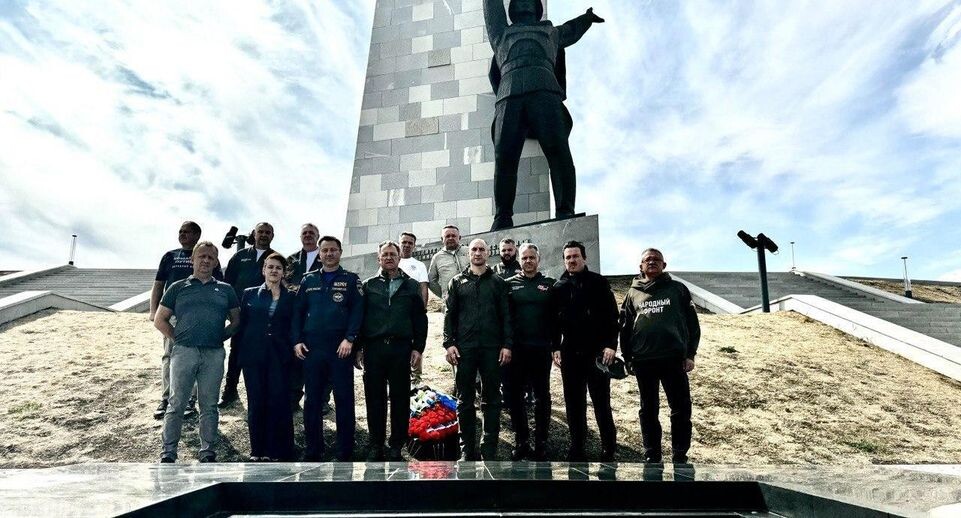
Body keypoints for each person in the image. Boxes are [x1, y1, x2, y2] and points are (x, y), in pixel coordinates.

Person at [483, 0, 604, 230]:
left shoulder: (551, 31)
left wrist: (586, 19)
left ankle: (565, 210)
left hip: (545, 89)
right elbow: (492, 8)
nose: (525, 2)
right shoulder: (500, 33)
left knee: (559, 150)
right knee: (505, 157)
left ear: (538, 9)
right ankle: (502, 217)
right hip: (509, 94)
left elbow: (572, 30)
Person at [154, 241, 240, 463]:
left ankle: (208, 451)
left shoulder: (225, 289)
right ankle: (168, 452)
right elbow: (160, 319)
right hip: (184, 352)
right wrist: (177, 338)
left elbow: (236, 321)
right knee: (176, 403)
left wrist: (219, 336)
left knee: (209, 404)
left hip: (213, 354)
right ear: (192, 259)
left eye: (211, 257)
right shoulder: (178, 287)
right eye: (201, 256)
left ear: (216, 261)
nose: (206, 260)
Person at [619, 248, 700, 464]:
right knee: (648, 410)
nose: (652, 262)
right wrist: (627, 357)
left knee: (681, 408)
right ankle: (652, 453)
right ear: (640, 266)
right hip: (644, 361)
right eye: (647, 260)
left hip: (673, 359)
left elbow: (693, 324)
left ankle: (680, 454)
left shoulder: (678, 289)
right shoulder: (632, 293)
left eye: (656, 260)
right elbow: (625, 328)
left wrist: (690, 354)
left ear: (664, 265)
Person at [292, 236, 364, 461]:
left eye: (333, 250)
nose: (329, 254)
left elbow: (358, 312)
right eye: (325, 250)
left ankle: (345, 450)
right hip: (312, 349)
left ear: (340, 252)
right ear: (319, 253)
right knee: (312, 400)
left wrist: (350, 339)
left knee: (344, 399)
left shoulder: (351, 280)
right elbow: (298, 313)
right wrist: (297, 340)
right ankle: (314, 449)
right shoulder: (307, 280)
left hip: (340, 348)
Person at [358, 241, 428, 461]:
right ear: (378, 258)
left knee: (400, 398)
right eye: (384, 255)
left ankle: (397, 444)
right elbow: (360, 318)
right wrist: (358, 347)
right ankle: (375, 444)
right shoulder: (368, 286)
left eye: (392, 254)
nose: (389, 258)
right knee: (374, 398)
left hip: (400, 349)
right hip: (374, 349)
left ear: (399, 258)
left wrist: (418, 347)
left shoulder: (411, 285)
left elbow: (420, 319)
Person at [444, 238, 512, 460]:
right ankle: (467, 449)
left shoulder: (498, 283)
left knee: (491, 398)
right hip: (465, 349)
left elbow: (506, 317)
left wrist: (507, 345)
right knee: (464, 399)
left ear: (488, 253)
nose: (477, 252)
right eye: (474, 249)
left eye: (482, 249)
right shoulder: (457, 281)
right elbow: (449, 315)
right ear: (468, 253)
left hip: (492, 349)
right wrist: (449, 343)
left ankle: (488, 449)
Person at [149, 221, 223, 420]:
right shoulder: (170, 256)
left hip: (198, 316)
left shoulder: (209, 257)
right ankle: (166, 398)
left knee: (195, 357)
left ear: (197, 235)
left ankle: (190, 400)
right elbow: (158, 284)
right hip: (172, 314)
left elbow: (219, 286)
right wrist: (153, 311)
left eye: (187, 232)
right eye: (180, 231)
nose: (182, 235)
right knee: (169, 355)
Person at [552, 240, 618, 462]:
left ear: (584, 258)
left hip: (597, 354)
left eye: (575, 256)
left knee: (601, 402)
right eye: (568, 257)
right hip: (570, 354)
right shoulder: (559, 287)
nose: (571, 260)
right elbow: (553, 322)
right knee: (574, 403)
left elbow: (612, 316)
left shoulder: (599, 283)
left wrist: (611, 345)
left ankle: (608, 446)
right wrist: (555, 348)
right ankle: (577, 446)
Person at [235, 252, 296, 461]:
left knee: (277, 401)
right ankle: (257, 451)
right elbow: (241, 327)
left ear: (283, 272)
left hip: (280, 357)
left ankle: (276, 450)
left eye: (278, 268)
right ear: (263, 270)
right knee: (256, 402)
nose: (274, 271)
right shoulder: (249, 294)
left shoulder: (291, 297)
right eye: (270, 267)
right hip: (253, 357)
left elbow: (293, 328)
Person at [504, 243, 555, 461]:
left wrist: (556, 345)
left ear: (538, 259)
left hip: (542, 350)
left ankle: (541, 441)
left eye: (531, 257)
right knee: (515, 396)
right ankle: (521, 440)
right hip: (517, 350)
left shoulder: (550, 284)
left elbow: (557, 318)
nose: (528, 261)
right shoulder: (508, 285)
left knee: (542, 396)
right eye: (524, 258)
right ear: (519, 259)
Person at [220, 222, 276, 407]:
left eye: (268, 232)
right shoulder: (240, 256)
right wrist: (230, 310)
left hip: (265, 317)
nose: (264, 235)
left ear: (272, 236)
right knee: (236, 352)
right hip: (240, 315)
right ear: (253, 234)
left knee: (265, 352)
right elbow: (227, 284)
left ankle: (264, 392)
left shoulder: (276, 259)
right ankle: (230, 391)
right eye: (260, 231)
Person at [285, 223, 322, 412]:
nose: (308, 236)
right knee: (296, 358)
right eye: (305, 233)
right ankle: (293, 399)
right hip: (296, 316)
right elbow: (284, 284)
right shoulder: (290, 260)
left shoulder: (325, 257)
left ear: (318, 236)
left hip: (318, 317)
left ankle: (321, 400)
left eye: (311, 233)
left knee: (319, 359)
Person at [398, 232, 429, 385]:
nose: (407, 245)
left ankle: (416, 380)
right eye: (404, 242)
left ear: (414, 246)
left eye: (410, 243)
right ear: (399, 243)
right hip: (396, 314)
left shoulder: (419, 265)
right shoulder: (392, 261)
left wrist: (422, 311)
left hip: (413, 312)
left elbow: (423, 287)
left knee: (416, 344)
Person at [428, 225, 468, 301]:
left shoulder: (469, 251)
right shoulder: (437, 257)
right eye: (447, 236)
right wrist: (444, 294)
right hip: (450, 302)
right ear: (442, 239)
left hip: (471, 298)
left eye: (453, 236)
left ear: (459, 238)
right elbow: (431, 280)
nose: (450, 238)